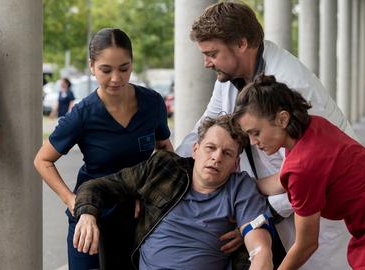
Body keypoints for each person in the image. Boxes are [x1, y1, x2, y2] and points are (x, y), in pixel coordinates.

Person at [175, 1, 352, 269]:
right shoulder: (232, 76)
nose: (206, 63)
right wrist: (174, 171)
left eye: (212, 53)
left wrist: (258, 217)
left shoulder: (292, 87)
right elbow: (207, 124)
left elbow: (312, 169)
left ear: (242, 44)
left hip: (322, 211)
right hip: (283, 200)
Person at [34, 28, 173, 270]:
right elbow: (42, 160)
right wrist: (72, 200)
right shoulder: (82, 114)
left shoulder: (152, 103)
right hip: (90, 215)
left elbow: (164, 150)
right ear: (92, 66)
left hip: (136, 215)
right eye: (106, 70)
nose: (116, 78)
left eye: (124, 68)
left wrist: (152, 192)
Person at [234, 74, 365, 269]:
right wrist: (242, 186)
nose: (252, 142)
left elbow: (307, 244)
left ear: (282, 119)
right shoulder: (313, 126)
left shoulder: (302, 168)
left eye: (255, 132)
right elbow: (284, 179)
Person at [73, 114, 273, 270]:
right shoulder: (164, 169)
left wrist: (259, 252)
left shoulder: (240, 188)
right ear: (195, 149)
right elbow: (96, 186)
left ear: (236, 164)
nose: (216, 158)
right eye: (210, 148)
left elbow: (260, 249)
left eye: (227, 153)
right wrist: (87, 214)